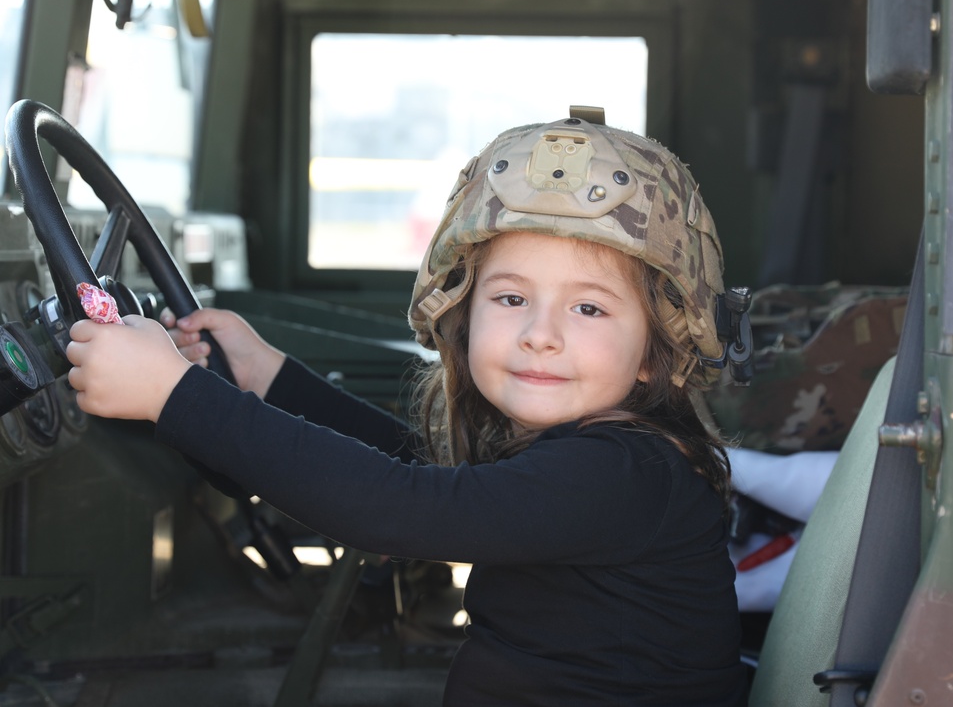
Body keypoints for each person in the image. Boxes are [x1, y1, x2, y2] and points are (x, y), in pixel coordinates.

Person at [66, 112, 748, 706]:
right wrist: (270, 380)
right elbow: (422, 476)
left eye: (589, 307)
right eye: (511, 299)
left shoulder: (622, 473)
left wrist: (174, 395)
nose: (541, 332)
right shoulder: (592, 452)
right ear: (463, 315)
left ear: (655, 354)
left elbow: (403, 508)